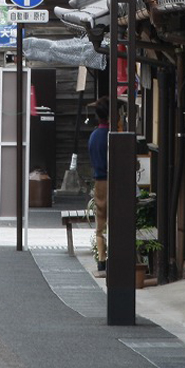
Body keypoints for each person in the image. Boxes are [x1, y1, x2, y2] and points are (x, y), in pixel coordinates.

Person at [88, 96, 110, 276]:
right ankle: (114, 259)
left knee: (100, 225)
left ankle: (102, 261)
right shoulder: (112, 136)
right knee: (115, 221)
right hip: (114, 182)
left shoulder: (94, 136)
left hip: (99, 182)